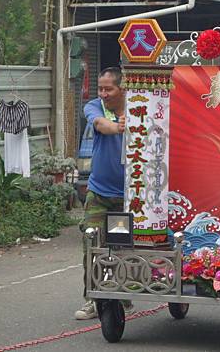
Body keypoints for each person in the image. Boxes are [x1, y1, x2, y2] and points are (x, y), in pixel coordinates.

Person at [75, 67, 133, 320]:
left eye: (108, 89)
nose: (103, 93)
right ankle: (92, 299)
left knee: (120, 248)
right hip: (99, 194)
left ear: (122, 89)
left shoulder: (138, 107)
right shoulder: (94, 107)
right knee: (92, 245)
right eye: (101, 88)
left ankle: (123, 296)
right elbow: (100, 124)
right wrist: (119, 127)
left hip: (127, 197)